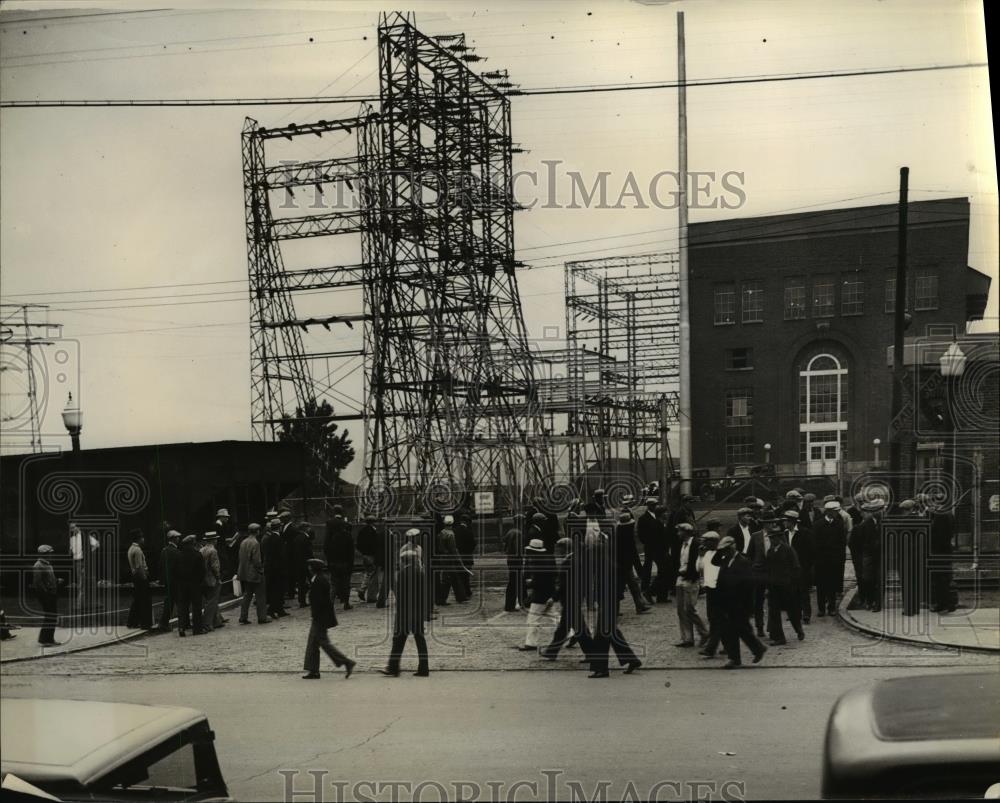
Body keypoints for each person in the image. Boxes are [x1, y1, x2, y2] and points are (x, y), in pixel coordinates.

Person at [578, 529, 641, 678]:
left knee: (601, 634)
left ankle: (601, 668)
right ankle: (631, 659)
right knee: (611, 632)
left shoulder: (604, 564)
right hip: (610, 600)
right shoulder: (608, 562)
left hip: (608, 601)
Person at [714, 535, 766, 668]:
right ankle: (755, 650)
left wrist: (749, 606)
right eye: (723, 550)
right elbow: (715, 562)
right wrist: (719, 552)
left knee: (738, 630)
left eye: (726, 549)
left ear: (732, 547)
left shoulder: (743, 562)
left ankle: (738, 657)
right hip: (727, 602)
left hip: (740, 603)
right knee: (737, 630)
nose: (724, 552)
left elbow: (749, 586)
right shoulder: (725, 560)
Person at [381, 536, 430, 677]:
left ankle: (393, 667)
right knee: (420, 639)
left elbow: (400, 596)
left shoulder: (402, 574)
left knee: (398, 640)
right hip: (417, 613)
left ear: (404, 560)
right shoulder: (420, 573)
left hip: (404, 613)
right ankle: (423, 668)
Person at [302, 559, 356, 680]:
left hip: (320, 617)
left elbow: (320, 601)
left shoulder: (319, 581)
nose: (308, 568)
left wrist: (316, 615)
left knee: (322, 642)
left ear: (313, 568)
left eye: (310, 566)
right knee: (314, 643)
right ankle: (313, 670)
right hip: (320, 616)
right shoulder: (319, 579)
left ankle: (346, 662)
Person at [764, 521, 804, 644]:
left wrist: (793, 583)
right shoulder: (770, 552)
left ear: (779, 538)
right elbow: (768, 570)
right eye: (770, 538)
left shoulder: (788, 550)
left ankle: (798, 630)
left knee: (792, 611)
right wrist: (767, 586)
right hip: (774, 587)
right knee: (774, 612)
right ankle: (779, 637)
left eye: (774, 538)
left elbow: (796, 568)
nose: (772, 540)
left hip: (787, 587)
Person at [674, 522, 708, 648]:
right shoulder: (681, 545)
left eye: (680, 531)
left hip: (691, 579)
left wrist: (695, 577)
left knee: (690, 609)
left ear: (686, 532)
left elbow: (699, 564)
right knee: (680, 610)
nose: (678, 534)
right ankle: (687, 638)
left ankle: (704, 632)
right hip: (680, 578)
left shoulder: (696, 544)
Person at [519, 538, 555, 651]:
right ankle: (571, 634)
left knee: (533, 620)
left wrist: (530, 583)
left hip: (540, 594)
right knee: (555, 617)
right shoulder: (549, 559)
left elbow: (539, 581)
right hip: (549, 592)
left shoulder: (537, 562)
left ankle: (531, 643)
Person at [812, 501, 847, 616]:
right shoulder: (818, 525)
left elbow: (842, 543)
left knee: (832, 584)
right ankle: (821, 609)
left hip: (834, 560)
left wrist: (841, 558)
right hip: (821, 560)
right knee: (821, 585)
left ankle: (831, 607)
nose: (837, 513)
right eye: (835, 511)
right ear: (828, 512)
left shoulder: (839, 524)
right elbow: (815, 544)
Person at [614, 510, 651, 614]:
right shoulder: (626, 536)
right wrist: (639, 569)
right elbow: (633, 554)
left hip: (622, 565)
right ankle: (639, 606)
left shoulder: (619, 534)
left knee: (631, 586)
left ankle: (640, 605)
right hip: (623, 566)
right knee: (622, 588)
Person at [697, 526, 723, 658]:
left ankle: (710, 648)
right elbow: (699, 568)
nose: (703, 544)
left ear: (713, 541)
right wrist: (701, 556)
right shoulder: (706, 554)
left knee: (716, 619)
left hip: (718, 589)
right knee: (715, 618)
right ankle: (727, 645)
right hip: (709, 588)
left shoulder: (721, 554)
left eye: (706, 541)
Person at [784, 510, 815, 624]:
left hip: (802, 567)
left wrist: (806, 566)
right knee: (791, 592)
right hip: (789, 568)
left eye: (786, 520)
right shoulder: (784, 534)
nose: (784, 523)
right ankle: (794, 613)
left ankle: (806, 613)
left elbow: (811, 551)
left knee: (803, 591)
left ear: (792, 521)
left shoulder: (805, 533)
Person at [324, 506, 356, 610]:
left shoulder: (331, 535)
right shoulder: (347, 536)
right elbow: (351, 552)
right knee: (346, 583)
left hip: (333, 561)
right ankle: (346, 603)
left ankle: (330, 603)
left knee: (333, 583)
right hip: (345, 563)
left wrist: (329, 560)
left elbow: (326, 547)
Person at [638, 497, 668, 603]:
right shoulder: (644, 519)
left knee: (662, 570)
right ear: (649, 505)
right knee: (649, 567)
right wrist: (648, 542)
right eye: (652, 505)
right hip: (653, 547)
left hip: (657, 548)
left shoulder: (658, 519)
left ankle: (660, 594)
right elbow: (641, 534)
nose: (654, 506)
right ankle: (648, 589)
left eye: (655, 505)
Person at [237, 523, 269, 625]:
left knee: (247, 595)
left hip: (244, 572)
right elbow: (256, 560)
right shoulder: (255, 543)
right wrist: (261, 569)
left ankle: (243, 616)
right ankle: (262, 617)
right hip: (254, 573)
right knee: (260, 596)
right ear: (258, 531)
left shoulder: (243, 541)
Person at [434, 515, 469, 606]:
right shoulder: (450, 534)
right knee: (448, 579)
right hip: (449, 558)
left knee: (453, 577)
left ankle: (460, 596)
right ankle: (442, 599)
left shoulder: (441, 532)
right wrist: (459, 560)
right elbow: (453, 549)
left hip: (443, 557)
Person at [858, 499, 885, 612]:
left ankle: (878, 604)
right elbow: (859, 541)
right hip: (869, 556)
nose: (881, 512)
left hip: (882, 556)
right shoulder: (865, 524)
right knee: (868, 579)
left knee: (880, 580)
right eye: (879, 510)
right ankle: (869, 600)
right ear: (873, 511)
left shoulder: (885, 522)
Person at [176, 535, 206, 637]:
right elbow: (202, 571)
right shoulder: (197, 555)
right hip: (195, 584)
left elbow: (175, 570)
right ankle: (197, 629)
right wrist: (199, 581)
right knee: (196, 607)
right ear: (193, 543)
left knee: (183, 606)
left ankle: (181, 627)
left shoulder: (179, 555)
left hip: (182, 584)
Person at [68, 522, 100, 613]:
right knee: (81, 583)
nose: (72, 529)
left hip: (84, 561)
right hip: (77, 562)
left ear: (78, 527)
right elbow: (71, 550)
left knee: (84, 582)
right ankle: (85, 603)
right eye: (71, 528)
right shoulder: (72, 539)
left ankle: (80, 604)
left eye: (73, 527)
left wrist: (89, 553)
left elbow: (97, 544)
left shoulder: (85, 536)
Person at [33, 545, 60, 646]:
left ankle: (49, 639)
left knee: (52, 617)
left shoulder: (48, 565)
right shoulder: (38, 565)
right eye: (49, 553)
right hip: (46, 596)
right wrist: (46, 595)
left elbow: (49, 579)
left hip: (52, 594)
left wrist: (57, 581)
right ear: (44, 554)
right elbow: (38, 583)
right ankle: (44, 639)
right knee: (49, 617)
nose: (51, 555)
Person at [261, 518, 288, 618]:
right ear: (279, 527)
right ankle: (272, 610)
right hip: (278, 569)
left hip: (272, 568)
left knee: (275, 590)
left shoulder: (269, 538)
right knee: (278, 590)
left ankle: (279, 609)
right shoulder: (277, 539)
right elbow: (280, 555)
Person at [126, 529, 152, 630]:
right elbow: (139, 566)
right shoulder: (137, 550)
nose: (143, 539)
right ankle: (145, 623)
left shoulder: (131, 548)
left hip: (136, 577)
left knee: (137, 600)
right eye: (142, 537)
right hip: (140, 577)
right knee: (144, 601)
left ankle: (132, 622)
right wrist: (145, 578)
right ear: (139, 538)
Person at [156, 530, 182, 631]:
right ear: (174, 539)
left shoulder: (164, 550)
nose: (179, 539)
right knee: (180, 603)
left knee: (169, 603)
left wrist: (162, 580)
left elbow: (160, 567)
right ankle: (183, 623)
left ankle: (163, 623)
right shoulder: (176, 552)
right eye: (177, 537)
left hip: (168, 581)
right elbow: (179, 568)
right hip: (176, 582)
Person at [200, 532, 223, 632]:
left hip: (203, 579)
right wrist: (218, 577)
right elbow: (215, 566)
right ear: (213, 540)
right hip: (212, 579)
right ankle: (207, 623)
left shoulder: (201, 550)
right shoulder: (213, 551)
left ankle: (217, 620)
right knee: (212, 601)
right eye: (216, 539)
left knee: (209, 600)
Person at [502, 514, 525, 612]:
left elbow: (504, 544)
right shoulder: (519, 533)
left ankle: (515, 602)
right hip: (516, 559)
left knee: (514, 581)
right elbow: (517, 548)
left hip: (510, 559)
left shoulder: (510, 531)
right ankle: (511, 605)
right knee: (515, 581)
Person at [454, 514, 477, 597]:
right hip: (467, 556)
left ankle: (460, 593)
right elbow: (473, 544)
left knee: (459, 576)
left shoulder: (455, 531)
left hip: (457, 556)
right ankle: (467, 591)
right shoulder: (469, 532)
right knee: (466, 576)